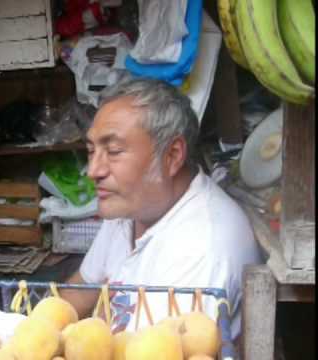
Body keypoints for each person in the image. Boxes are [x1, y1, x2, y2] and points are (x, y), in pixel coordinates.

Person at [59, 78, 263, 342]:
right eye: (91, 150)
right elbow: (77, 293)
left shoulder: (203, 248)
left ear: (173, 155)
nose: (94, 171)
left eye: (113, 150)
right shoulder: (131, 206)